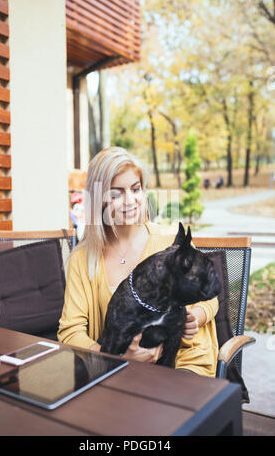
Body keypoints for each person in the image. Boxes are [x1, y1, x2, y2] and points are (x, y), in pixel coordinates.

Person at [58, 147, 219, 377]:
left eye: (136, 189)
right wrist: (116, 360)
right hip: (120, 371)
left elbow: (210, 296)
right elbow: (70, 332)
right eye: (116, 193)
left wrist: (198, 315)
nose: (130, 201)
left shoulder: (172, 242)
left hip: (184, 365)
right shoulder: (82, 259)